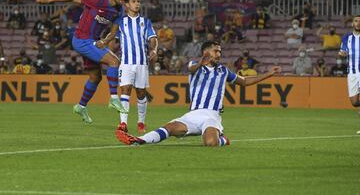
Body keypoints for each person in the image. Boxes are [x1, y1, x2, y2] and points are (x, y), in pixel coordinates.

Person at [115, 41, 281, 146]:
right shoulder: (195, 66)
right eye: (216, 51)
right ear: (206, 52)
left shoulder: (223, 70)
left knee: (210, 143)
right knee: (170, 128)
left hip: (211, 116)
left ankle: (222, 139)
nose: (219, 54)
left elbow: (244, 82)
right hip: (192, 115)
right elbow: (191, 68)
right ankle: (139, 140)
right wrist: (202, 62)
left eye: (220, 52)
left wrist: (269, 74)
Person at [35, 0, 128, 123]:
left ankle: (81, 106)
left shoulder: (120, 10)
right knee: (114, 61)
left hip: (93, 41)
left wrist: (105, 41)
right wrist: (48, 0)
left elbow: (113, 32)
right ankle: (114, 98)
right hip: (81, 39)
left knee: (96, 77)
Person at [97, 0, 158, 134]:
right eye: (134, 1)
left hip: (142, 63)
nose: (137, 4)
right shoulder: (121, 21)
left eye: (138, 1)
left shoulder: (146, 22)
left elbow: (153, 38)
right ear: (126, 5)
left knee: (141, 93)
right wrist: (104, 42)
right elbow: (112, 35)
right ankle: (123, 123)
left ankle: (141, 122)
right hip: (126, 63)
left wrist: (154, 49)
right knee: (125, 90)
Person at [339, 15, 360, 134]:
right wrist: (342, 53)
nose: (358, 23)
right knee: (354, 102)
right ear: (352, 23)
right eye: (356, 21)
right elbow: (343, 50)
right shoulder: (347, 37)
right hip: (352, 73)